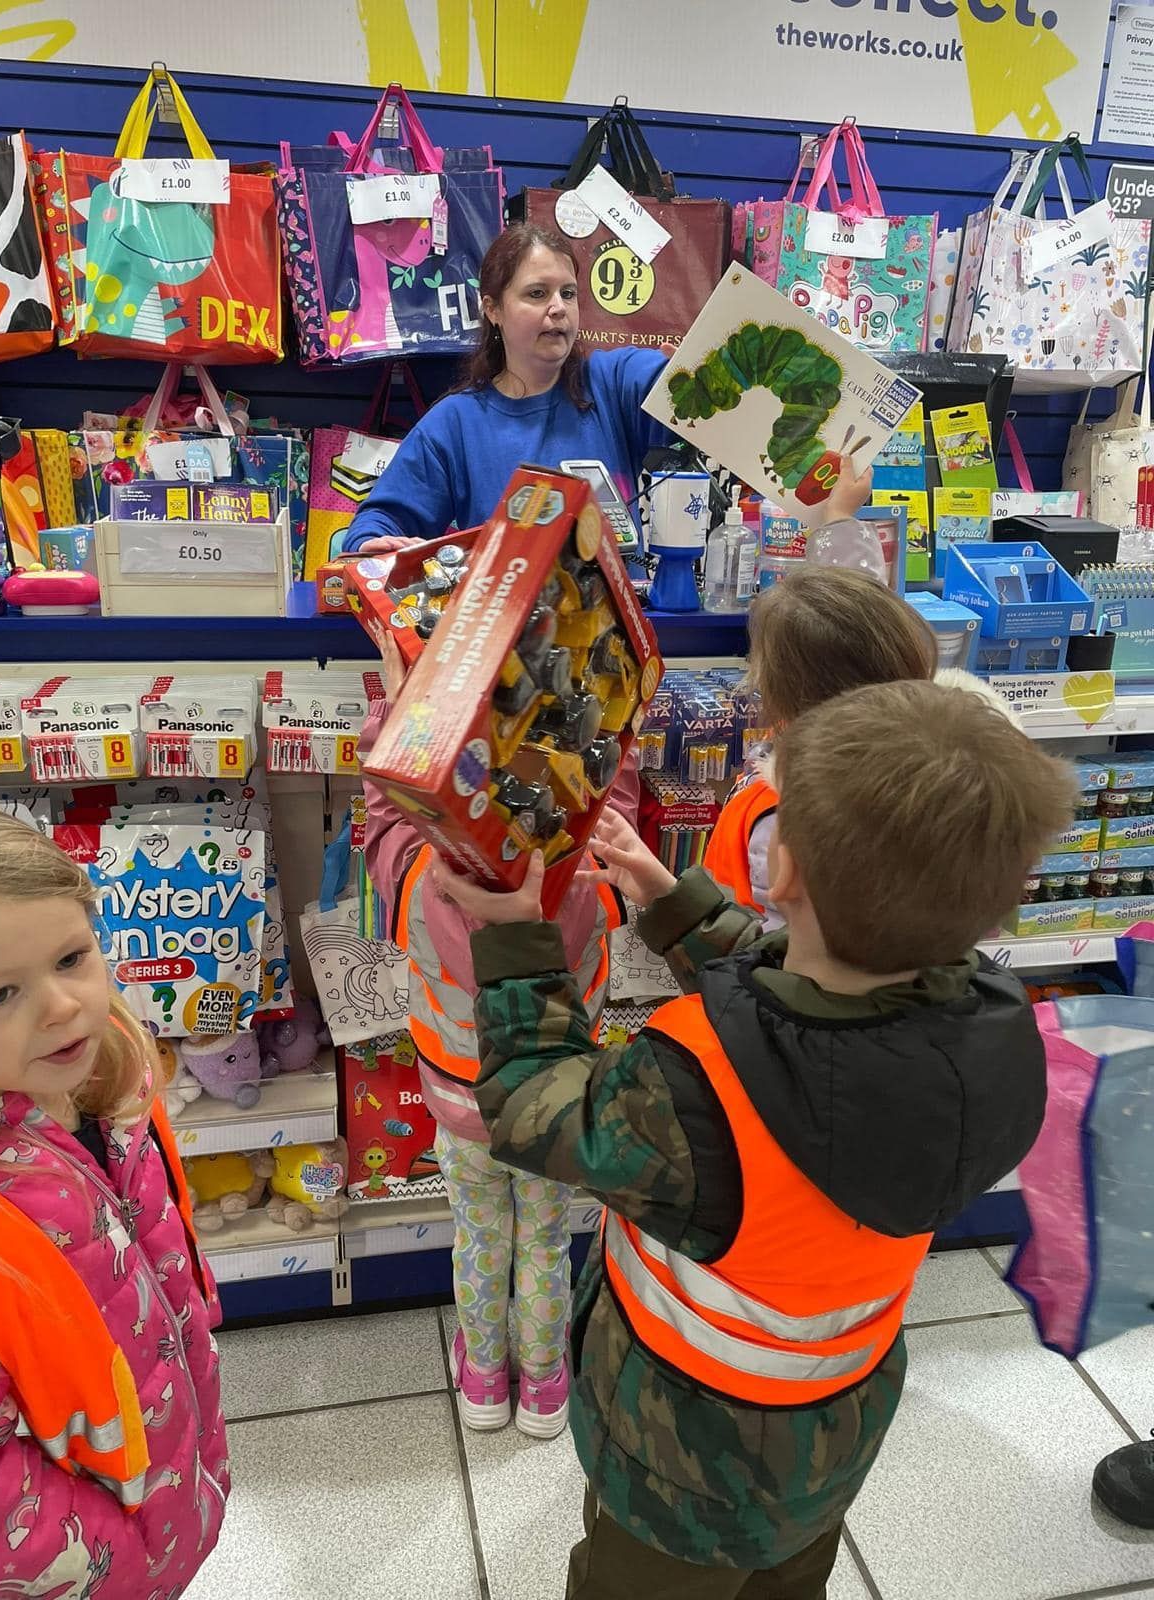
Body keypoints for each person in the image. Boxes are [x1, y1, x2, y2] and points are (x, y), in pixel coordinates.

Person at [430, 678, 1076, 1599]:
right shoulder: (998, 1031)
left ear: (783, 874)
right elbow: (824, 1028)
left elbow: (538, 1108)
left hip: (679, 1464)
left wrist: (515, 943)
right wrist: (675, 903)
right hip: (832, 1438)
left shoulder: (691, 1084)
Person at [360, 646, 636, 1440]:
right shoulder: (583, 884)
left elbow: (384, 807)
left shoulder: (413, 875)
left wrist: (403, 699)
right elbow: (610, 798)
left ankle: (484, 1377)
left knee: (480, 1236)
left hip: (460, 1102)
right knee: (546, 1240)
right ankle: (546, 1384)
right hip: (555, 1106)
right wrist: (604, 713)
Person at [0, 799, 228, 1596]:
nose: (64, 1006)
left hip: (163, 1486)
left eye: (72, 959)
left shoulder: (106, 1086)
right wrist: (122, 1561)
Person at [343, 221, 873, 558]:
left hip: (616, 650)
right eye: (536, 293)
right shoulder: (455, 423)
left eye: (568, 293)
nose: (558, 308)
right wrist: (374, 545)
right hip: (506, 653)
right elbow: (374, 525)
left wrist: (829, 486)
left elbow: (707, 402)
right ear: (492, 308)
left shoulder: (615, 382)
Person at [704, 566, 938, 917]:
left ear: (787, 691)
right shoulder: (900, 775)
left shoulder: (788, 816)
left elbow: (776, 949)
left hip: (733, 957)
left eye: (757, 664)